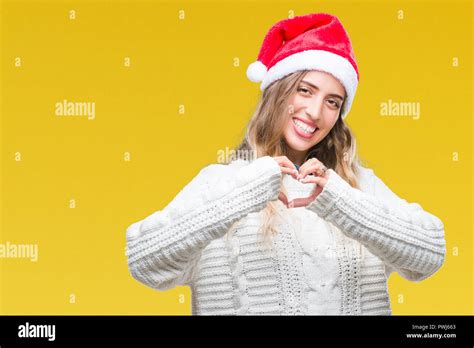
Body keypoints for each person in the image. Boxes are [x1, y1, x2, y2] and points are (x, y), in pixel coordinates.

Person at [125, 13, 446, 315]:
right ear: (277, 92)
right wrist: (243, 194)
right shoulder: (223, 184)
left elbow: (429, 256)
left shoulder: (354, 186)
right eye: (304, 90)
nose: (316, 112)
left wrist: (340, 203)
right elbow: (144, 262)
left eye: (332, 101)